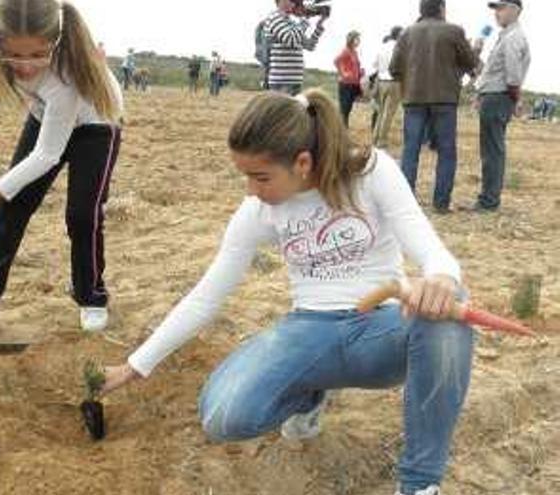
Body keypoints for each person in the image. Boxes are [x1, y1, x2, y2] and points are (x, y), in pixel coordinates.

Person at [101, 89, 473, 495]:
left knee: (450, 316)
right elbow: (206, 297)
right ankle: (308, 396)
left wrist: (441, 280)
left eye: (260, 177)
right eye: (245, 176)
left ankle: (419, 483)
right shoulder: (258, 210)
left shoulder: (370, 172)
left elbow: (433, 250)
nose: (250, 190)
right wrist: (136, 365)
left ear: (302, 163)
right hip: (309, 329)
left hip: (381, 330)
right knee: (223, 417)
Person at [0, 0, 123, 333]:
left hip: (96, 123)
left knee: (82, 215)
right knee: (14, 205)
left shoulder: (66, 74)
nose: (25, 66)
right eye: (14, 56)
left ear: (56, 40)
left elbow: (48, 155)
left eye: (38, 55)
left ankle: (91, 297)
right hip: (44, 115)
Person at [390, 0, 479, 214]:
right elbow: (470, 63)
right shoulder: (454, 31)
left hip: (414, 98)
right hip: (444, 99)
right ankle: (440, 203)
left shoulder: (406, 34)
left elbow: (394, 69)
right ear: (441, 8)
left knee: (410, 150)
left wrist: (411, 78)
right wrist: (473, 50)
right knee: (447, 152)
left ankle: (405, 203)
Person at [469, 0, 530, 212]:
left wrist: (516, 99)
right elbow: (493, 72)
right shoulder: (505, 37)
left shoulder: (513, 38)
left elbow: (513, 77)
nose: (496, 13)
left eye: (501, 8)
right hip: (494, 95)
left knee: (492, 151)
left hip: (498, 97)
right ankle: (488, 198)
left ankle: (488, 201)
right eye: (495, 9)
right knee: (491, 150)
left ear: (515, 10)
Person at [263, 0, 327, 95]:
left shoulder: (290, 22)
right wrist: (305, 19)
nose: (295, 3)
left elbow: (309, 46)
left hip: (294, 81)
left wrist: (319, 26)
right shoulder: (274, 18)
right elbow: (291, 40)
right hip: (282, 82)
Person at [371, 26, 404, 148]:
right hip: (394, 82)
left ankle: (375, 137)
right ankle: (382, 140)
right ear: (399, 35)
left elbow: (374, 65)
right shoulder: (400, 48)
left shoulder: (382, 46)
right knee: (388, 113)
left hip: (381, 81)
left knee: (380, 112)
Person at [334, 30, 363, 127]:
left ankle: (343, 127)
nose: (359, 41)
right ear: (351, 40)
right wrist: (343, 73)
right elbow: (337, 61)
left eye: (359, 39)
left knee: (348, 107)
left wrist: (360, 72)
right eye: (357, 39)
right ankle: (342, 127)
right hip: (345, 83)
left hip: (354, 83)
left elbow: (355, 66)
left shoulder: (354, 52)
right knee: (344, 107)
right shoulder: (346, 51)